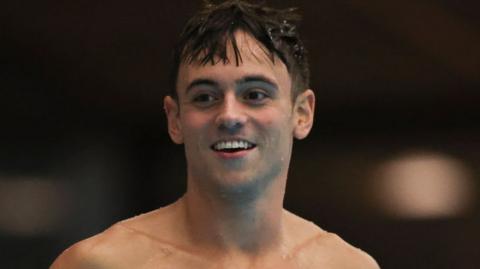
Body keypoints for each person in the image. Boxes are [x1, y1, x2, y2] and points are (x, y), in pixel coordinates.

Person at [51, 1, 379, 268]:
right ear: (175, 118)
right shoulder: (101, 264)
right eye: (205, 97)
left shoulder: (347, 266)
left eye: (255, 94)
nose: (230, 116)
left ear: (302, 113)